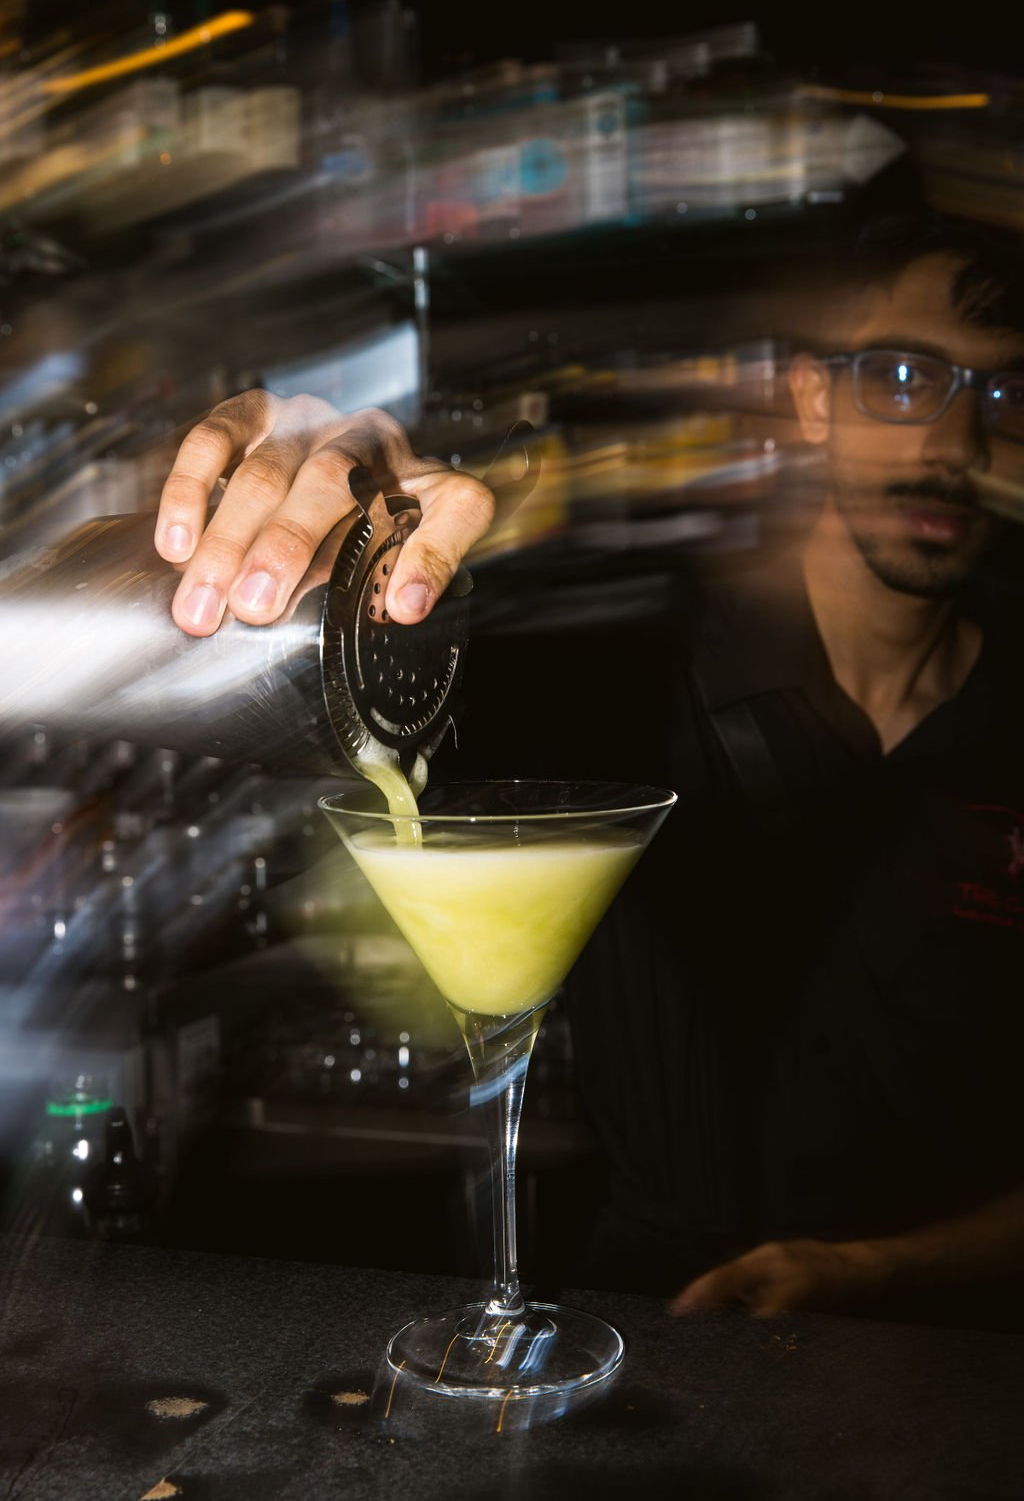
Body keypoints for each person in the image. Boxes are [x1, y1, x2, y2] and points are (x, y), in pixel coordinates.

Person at [156, 210, 1024, 1324]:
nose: (955, 446)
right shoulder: (618, 664)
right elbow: (370, 694)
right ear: (812, 395)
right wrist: (364, 526)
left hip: (962, 1352)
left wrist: (879, 1273)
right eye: (903, 379)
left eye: (1008, 394)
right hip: (653, 1320)